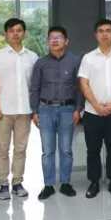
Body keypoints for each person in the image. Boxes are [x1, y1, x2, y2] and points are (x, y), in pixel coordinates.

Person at [30, 26, 83, 201]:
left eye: (58, 37)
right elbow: (35, 88)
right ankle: (48, 185)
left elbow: (80, 88)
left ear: (66, 41)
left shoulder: (75, 61)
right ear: (47, 42)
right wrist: (34, 111)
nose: (54, 41)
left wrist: (78, 109)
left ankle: (66, 183)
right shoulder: (41, 63)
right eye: (51, 38)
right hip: (45, 110)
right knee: (47, 150)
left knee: (66, 149)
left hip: (67, 109)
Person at [0, 18, 38, 200]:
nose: (15, 33)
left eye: (19, 30)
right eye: (11, 30)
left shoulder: (32, 57)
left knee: (20, 149)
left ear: (24, 33)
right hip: (3, 111)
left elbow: (35, 86)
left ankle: (17, 182)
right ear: (6, 34)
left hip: (25, 111)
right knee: (2, 150)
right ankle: (3, 184)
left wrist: (35, 110)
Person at [78, 18, 111, 199]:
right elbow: (84, 84)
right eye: (101, 31)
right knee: (93, 149)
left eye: (108, 31)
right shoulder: (88, 58)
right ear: (96, 35)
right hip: (92, 112)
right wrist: (97, 105)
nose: (105, 34)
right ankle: (94, 182)